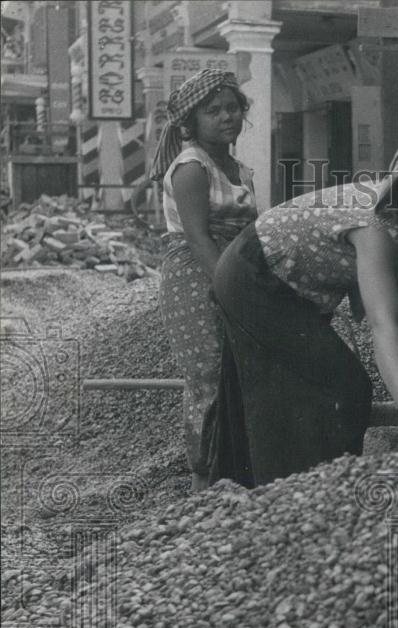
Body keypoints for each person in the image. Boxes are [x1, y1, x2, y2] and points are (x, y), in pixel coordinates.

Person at [204, 121, 398, 487]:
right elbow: (383, 324)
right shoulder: (375, 224)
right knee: (337, 387)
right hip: (254, 277)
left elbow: (378, 305)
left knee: (312, 382)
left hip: (286, 287)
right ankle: (306, 491)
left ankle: (274, 486)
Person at [149, 69, 258, 492]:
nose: (226, 117)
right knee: (209, 375)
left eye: (232, 107)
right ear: (190, 123)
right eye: (213, 111)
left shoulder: (240, 170)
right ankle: (202, 481)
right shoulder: (192, 167)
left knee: (240, 373)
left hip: (233, 269)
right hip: (197, 277)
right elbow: (198, 237)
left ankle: (236, 476)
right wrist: (233, 290)